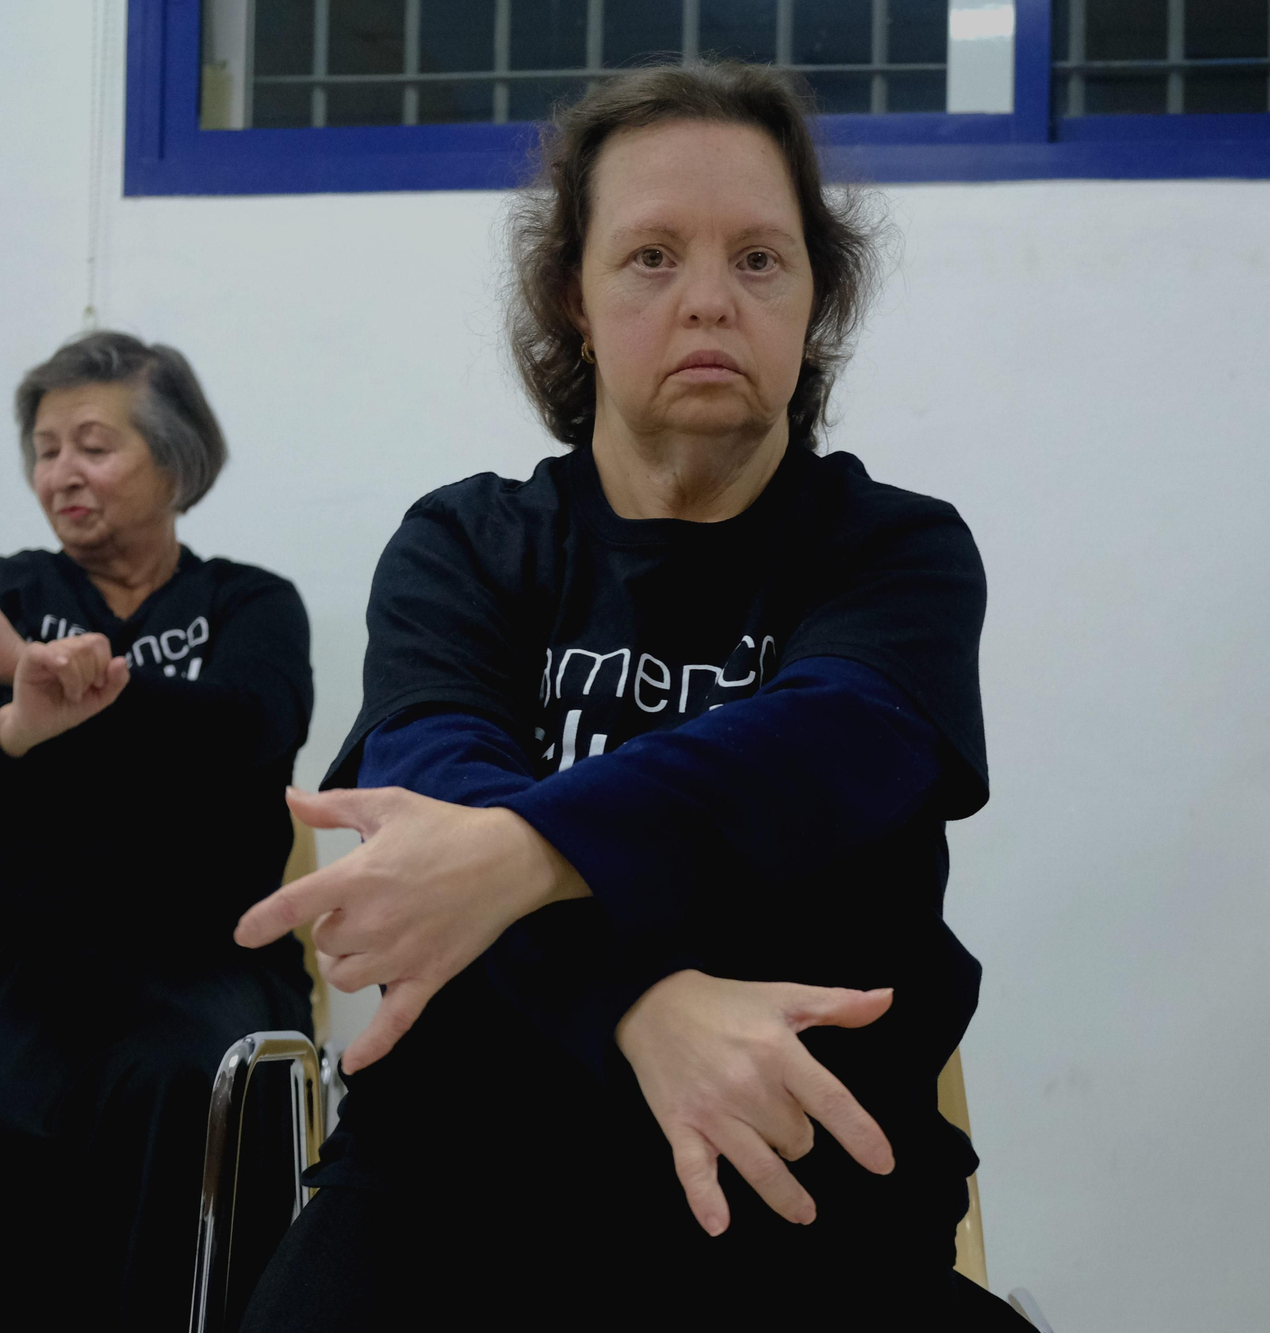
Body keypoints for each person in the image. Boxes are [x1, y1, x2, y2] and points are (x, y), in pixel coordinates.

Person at [235, 62, 1021, 1330]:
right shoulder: (467, 545)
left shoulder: (894, 551)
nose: (708, 298)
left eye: (759, 259)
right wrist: (641, 1005)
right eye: (651, 256)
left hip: (800, 1196)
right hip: (452, 1188)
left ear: (816, 297)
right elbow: (428, 787)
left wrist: (521, 848)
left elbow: (832, 744)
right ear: (575, 299)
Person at [0, 331, 314, 1329]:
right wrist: (20, 720)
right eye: (45, 449)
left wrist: (75, 697)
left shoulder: (250, 603)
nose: (61, 473)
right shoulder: (11, 596)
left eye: (93, 444)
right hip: (28, 961)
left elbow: (249, 731)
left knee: (194, 1072)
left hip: (207, 954)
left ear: (173, 460)